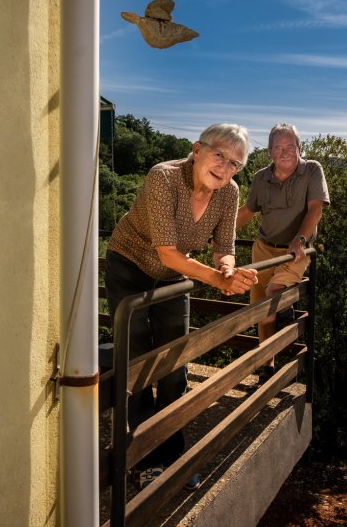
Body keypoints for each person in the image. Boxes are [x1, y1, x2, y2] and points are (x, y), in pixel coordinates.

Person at [105, 123, 258, 491]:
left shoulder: (229, 193)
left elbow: (224, 246)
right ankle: (143, 460)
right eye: (219, 155)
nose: (225, 167)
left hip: (176, 275)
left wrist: (227, 268)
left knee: (175, 364)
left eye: (235, 163)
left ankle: (171, 456)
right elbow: (167, 252)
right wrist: (216, 279)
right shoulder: (163, 177)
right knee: (139, 366)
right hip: (129, 266)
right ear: (196, 150)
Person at [236, 123, 330, 384]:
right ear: (269, 151)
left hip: (295, 253)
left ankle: (286, 318)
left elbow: (315, 209)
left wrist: (299, 240)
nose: (285, 151)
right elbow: (246, 212)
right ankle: (268, 367)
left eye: (290, 146)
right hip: (263, 250)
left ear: (300, 148)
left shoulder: (312, 169)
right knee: (261, 313)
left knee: (271, 296)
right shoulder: (260, 178)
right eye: (279, 147)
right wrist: (218, 231)